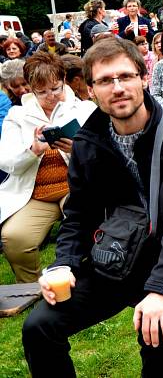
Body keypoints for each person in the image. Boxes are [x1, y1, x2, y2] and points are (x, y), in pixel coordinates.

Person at [21, 37, 163, 377]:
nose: (118, 88)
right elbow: (78, 214)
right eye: (105, 81)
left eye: (125, 77)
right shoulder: (89, 142)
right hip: (116, 257)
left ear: (143, 78)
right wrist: (63, 264)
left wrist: (162, 289)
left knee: (159, 335)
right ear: (89, 90)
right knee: (39, 327)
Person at [0, 52, 96, 283]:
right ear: (30, 89)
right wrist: (32, 151)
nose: (50, 96)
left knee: (89, 223)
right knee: (15, 237)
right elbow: (6, 161)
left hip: (74, 187)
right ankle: (30, 288)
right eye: (41, 92)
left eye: (55, 88)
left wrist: (76, 149)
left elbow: (104, 156)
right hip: (35, 194)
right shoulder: (18, 115)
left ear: (64, 80)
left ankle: (86, 280)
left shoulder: (85, 110)